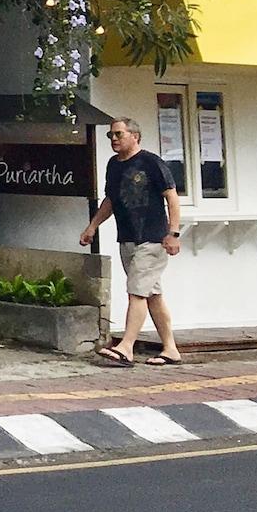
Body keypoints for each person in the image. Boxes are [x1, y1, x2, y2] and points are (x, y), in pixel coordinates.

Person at [80, 117, 183, 366]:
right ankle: (170, 349)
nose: (114, 139)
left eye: (119, 134)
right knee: (152, 295)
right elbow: (110, 200)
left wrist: (173, 233)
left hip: (153, 238)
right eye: (111, 135)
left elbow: (172, 197)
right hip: (127, 238)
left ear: (134, 136)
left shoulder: (151, 162)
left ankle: (126, 347)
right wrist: (93, 226)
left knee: (136, 291)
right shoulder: (113, 165)